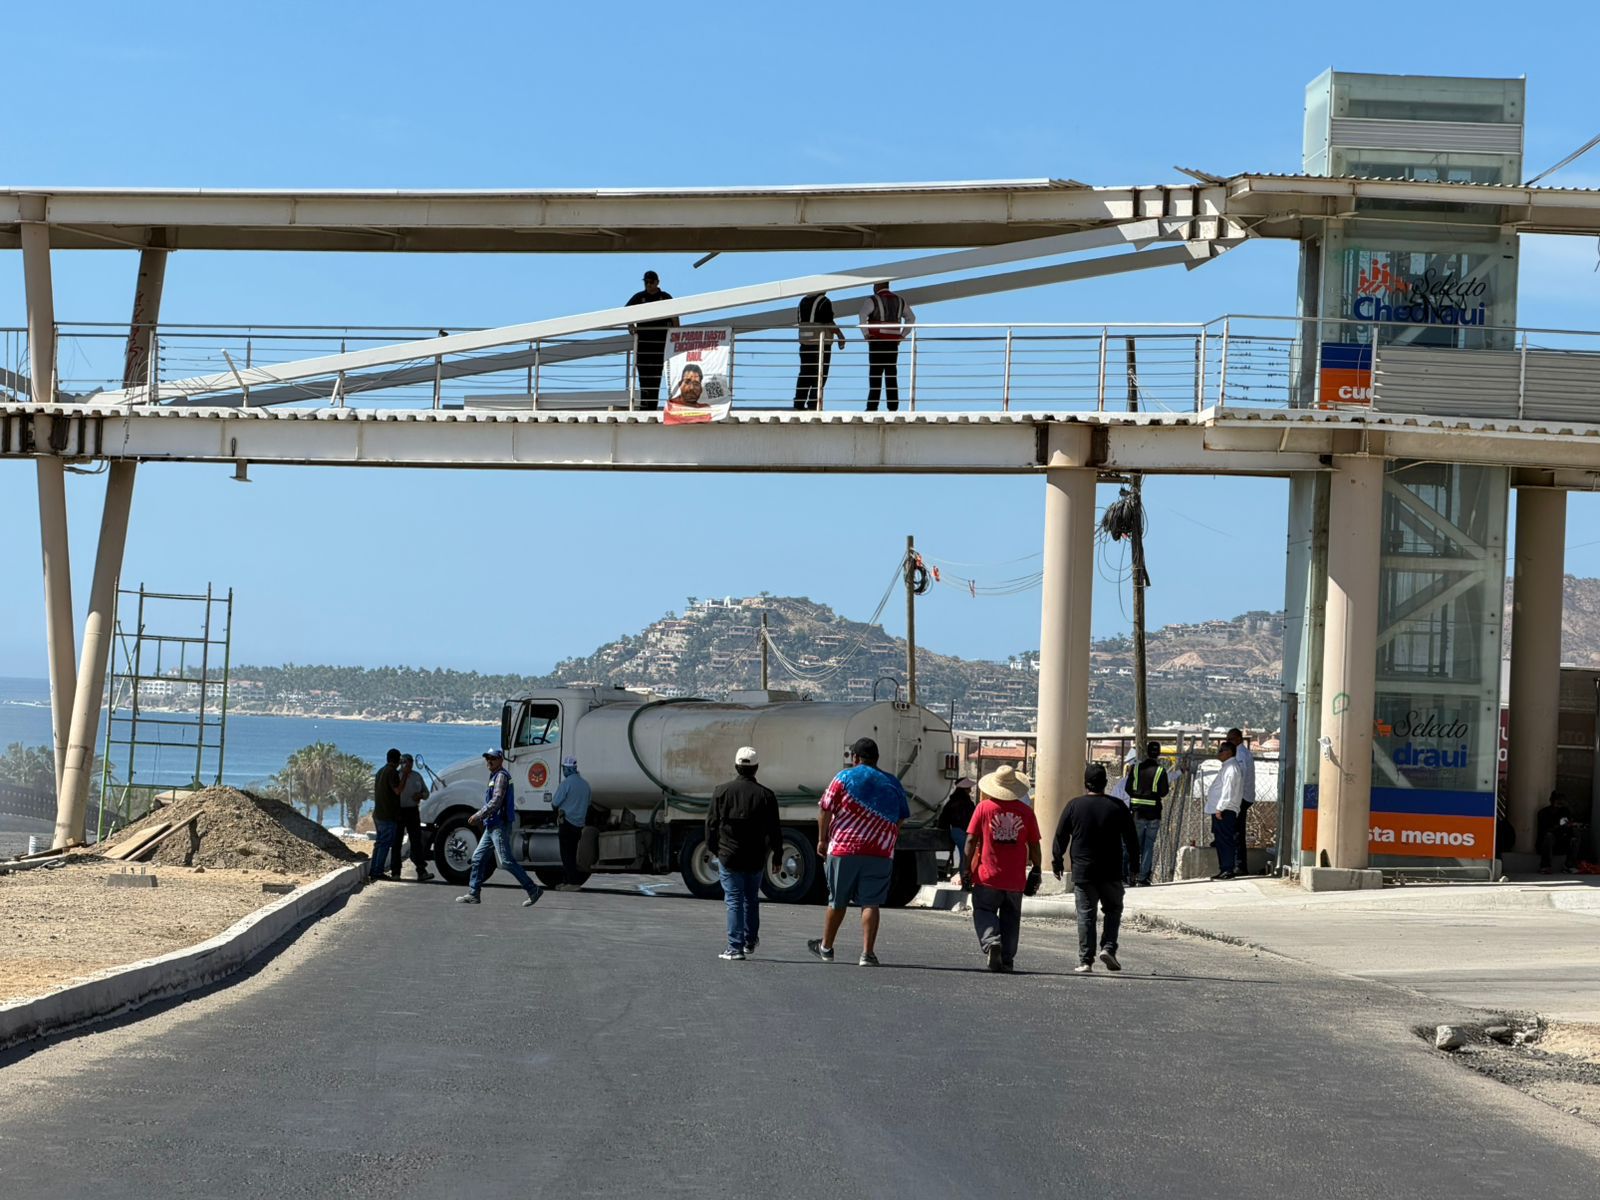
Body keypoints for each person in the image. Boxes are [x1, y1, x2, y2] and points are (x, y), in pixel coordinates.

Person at [808, 736, 910, 966]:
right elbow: (902, 815)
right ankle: (867, 954)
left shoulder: (843, 778)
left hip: (844, 848)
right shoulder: (892, 782)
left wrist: (822, 840)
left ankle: (826, 947)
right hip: (880, 852)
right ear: (877, 759)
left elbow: (825, 809)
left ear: (855, 758)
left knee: (837, 901)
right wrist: (889, 834)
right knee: (871, 903)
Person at [1052, 763, 1141, 974]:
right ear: (1105, 783)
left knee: (1086, 915)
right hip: (1111, 871)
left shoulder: (1074, 806)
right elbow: (1132, 840)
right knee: (1113, 910)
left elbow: (1060, 836)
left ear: (1085, 783)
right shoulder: (1118, 806)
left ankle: (1086, 960)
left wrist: (1057, 862)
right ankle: (1109, 947)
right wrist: (1135, 868)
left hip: (1084, 871)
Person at [705, 746, 782, 961]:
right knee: (751, 899)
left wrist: (714, 849)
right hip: (756, 856)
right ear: (756, 768)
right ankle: (749, 941)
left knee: (734, 899)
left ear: (736, 766)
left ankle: (734, 947)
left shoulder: (721, 791)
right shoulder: (766, 795)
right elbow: (775, 829)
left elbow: (711, 824)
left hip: (729, 855)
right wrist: (777, 855)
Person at [964, 766, 1042, 973]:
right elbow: (1034, 844)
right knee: (1011, 917)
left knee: (983, 909)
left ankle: (992, 942)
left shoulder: (983, 808)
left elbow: (971, 839)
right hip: (1015, 878)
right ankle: (1007, 959)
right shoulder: (1026, 812)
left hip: (987, 876)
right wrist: (1037, 868)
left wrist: (965, 867)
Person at [457, 749, 542, 907]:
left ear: (500, 760)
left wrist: (478, 815)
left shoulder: (501, 776)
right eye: (487, 758)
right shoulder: (495, 776)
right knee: (477, 858)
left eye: (492, 759)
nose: (489, 761)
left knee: (506, 861)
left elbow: (496, 801)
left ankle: (533, 889)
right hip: (492, 826)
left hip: (498, 825)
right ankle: (473, 893)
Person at [858, 280, 914, 411]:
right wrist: (902, 335)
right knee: (891, 374)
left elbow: (862, 315)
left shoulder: (872, 300)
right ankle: (893, 407)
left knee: (875, 375)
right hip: (892, 343)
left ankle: (872, 406)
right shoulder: (900, 300)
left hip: (876, 341)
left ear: (877, 286)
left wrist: (866, 334)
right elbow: (911, 318)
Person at [626, 270, 678, 409]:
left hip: (660, 345)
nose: (648, 285)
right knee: (643, 377)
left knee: (655, 377)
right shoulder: (639, 297)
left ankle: (652, 406)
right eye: (646, 282)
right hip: (643, 345)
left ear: (657, 282)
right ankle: (644, 405)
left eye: (651, 282)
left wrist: (675, 334)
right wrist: (631, 326)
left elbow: (675, 318)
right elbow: (625, 312)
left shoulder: (665, 297)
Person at [1125, 741, 1170, 887]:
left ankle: (1129, 874)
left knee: (1133, 845)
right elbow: (1163, 792)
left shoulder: (1136, 769)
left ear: (1147, 752)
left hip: (1137, 812)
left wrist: (1139, 797)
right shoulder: (1160, 771)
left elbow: (1128, 788)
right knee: (1148, 846)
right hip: (1154, 813)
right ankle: (1143, 878)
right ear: (1158, 754)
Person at [794, 292, 845, 410]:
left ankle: (799, 402)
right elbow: (828, 321)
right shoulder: (824, 301)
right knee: (820, 374)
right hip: (821, 344)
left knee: (805, 373)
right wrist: (840, 335)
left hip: (805, 342)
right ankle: (813, 403)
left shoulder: (802, 301)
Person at [389, 753, 435, 882]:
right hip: (399, 811)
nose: (408, 766)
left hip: (413, 811)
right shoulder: (396, 776)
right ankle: (395, 872)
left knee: (416, 841)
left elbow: (426, 794)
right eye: (405, 763)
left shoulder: (417, 776)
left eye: (410, 764)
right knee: (396, 842)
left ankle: (421, 871)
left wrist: (420, 795)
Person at [548, 755, 591, 889]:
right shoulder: (585, 785)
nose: (563, 771)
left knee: (566, 855)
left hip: (566, 822)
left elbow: (555, 803)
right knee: (573, 853)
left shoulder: (566, 783)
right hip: (579, 824)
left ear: (568, 769)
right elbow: (588, 803)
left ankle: (572, 883)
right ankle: (569, 881)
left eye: (564, 769)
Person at [1206, 741, 1244, 880]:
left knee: (1225, 840)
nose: (1219, 753)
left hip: (1225, 810)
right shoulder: (1227, 767)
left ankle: (1228, 869)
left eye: (1221, 750)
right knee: (1220, 840)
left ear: (1228, 752)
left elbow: (1228, 790)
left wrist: (1220, 808)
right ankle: (1224, 868)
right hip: (1221, 809)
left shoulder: (1231, 768)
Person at [937, 778, 977, 885]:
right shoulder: (968, 803)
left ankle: (965, 882)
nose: (970, 789)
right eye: (968, 788)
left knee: (964, 856)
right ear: (964, 789)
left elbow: (943, 819)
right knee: (966, 857)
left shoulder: (952, 802)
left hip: (955, 831)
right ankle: (966, 882)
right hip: (964, 831)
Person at [370, 748, 402, 882]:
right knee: (385, 843)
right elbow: (397, 791)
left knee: (379, 842)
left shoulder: (380, 771)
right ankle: (378, 871)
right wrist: (404, 776)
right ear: (397, 760)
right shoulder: (392, 772)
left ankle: (373, 870)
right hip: (387, 814)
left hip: (378, 813)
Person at [1227, 728, 1256, 876]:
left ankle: (1240, 865)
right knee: (1234, 830)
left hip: (1241, 798)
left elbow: (1240, 778)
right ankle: (1237, 864)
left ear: (1238, 739)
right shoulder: (1240, 753)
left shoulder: (1241, 755)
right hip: (1242, 797)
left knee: (1237, 832)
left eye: (1231, 739)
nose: (1228, 742)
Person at [1536, 791, 1579, 874]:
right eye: (1557, 801)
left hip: (1561, 841)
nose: (1559, 805)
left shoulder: (1564, 811)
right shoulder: (1543, 813)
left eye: (1561, 802)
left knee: (1575, 835)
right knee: (1549, 836)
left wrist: (1570, 825)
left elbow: (1569, 825)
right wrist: (1558, 826)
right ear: (1551, 801)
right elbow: (1544, 831)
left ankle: (1569, 865)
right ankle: (1545, 866)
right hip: (1547, 843)